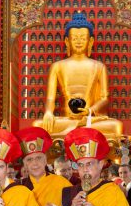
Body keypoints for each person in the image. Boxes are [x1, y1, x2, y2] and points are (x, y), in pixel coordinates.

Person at [33, 12, 122, 140]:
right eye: (75, 38)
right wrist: (48, 112)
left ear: (90, 41)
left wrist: (90, 111)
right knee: (38, 125)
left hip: (90, 120)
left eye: (83, 38)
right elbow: (50, 99)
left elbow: (104, 99)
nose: (79, 42)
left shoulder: (99, 66)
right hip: (67, 119)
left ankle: (75, 130)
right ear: (67, 41)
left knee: (116, 126)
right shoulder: (57, 66)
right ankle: (76, 129)